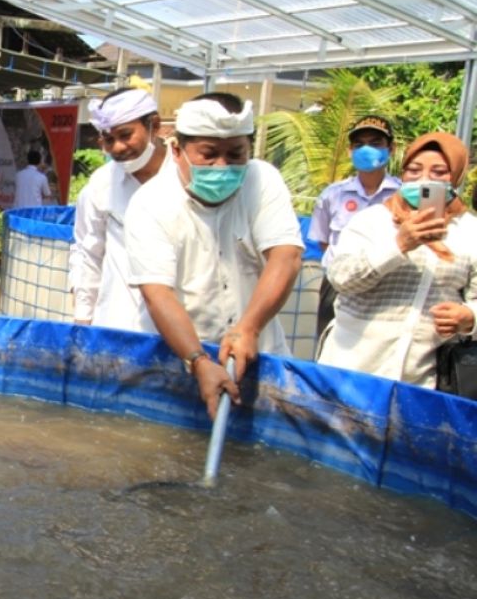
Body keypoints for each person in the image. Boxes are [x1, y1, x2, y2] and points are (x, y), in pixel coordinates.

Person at [125, 92, 304, 419]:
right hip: (179, 358)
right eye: (208, 155)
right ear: (177, 150)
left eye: (235, 154)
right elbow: (157, 293)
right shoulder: (150, 204)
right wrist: (198, 360)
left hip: (257, 353)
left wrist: (248, 328)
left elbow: (286, 256)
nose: (222, 166)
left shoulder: (262, 180)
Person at [318, 132, 477, 388]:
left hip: (420, 383)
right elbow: (341, 278)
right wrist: (399, 245)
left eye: (438, 172)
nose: (424, 179)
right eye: (414, 170)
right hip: (349, 373)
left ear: (456, 176)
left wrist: (470, 317)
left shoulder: (470, 232)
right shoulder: (372, 221)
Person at [69, 87, 167, 328]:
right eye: (109, 140)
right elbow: (87, 252)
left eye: (126, 135)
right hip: (116, 323)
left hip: (181, 331)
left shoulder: (184, 178)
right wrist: (83, 317)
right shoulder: (102, 184)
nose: (118, 148)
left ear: (154, 125)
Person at [308, 115, 401, 344]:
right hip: (337, 284)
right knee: (331, 344)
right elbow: (323, 241)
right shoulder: (332, 195)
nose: (367, 149)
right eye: (359, 145)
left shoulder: (403, 195)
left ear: (391, 149)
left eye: (376, 143)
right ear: (350, 151)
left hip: (386, 283)